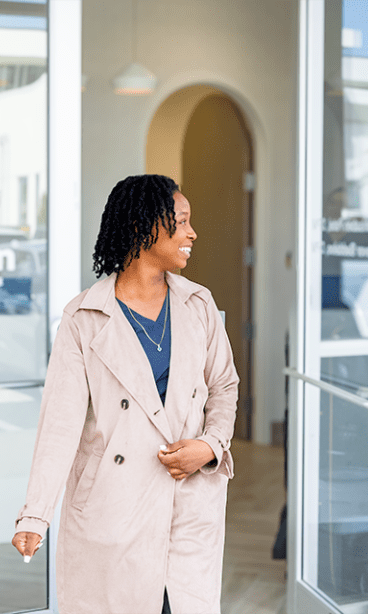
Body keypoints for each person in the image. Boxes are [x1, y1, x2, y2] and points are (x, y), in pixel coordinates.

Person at [12, 174, 238, 614]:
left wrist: (210, 446)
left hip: (187, 503)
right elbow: (60, 424)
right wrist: (35, 515)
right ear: (143, 226)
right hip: (114, 508)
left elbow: (224, 387)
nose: (192, 233)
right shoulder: (83, 318)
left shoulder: (199, 304)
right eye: (182, 221)